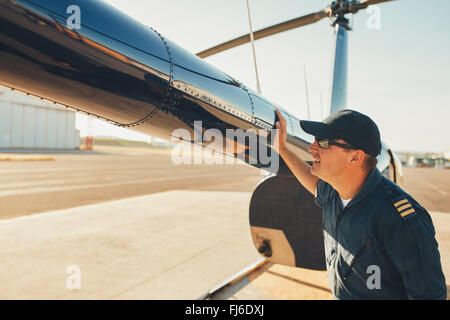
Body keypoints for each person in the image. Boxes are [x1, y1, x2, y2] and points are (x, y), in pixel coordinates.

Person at [273, 108, 447, 300]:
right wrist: (283, 149)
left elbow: (429, 296)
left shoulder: (401, 220)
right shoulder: (333, 190)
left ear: (355, 157)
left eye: (323, 142)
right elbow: (312, 183)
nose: (312, 148)